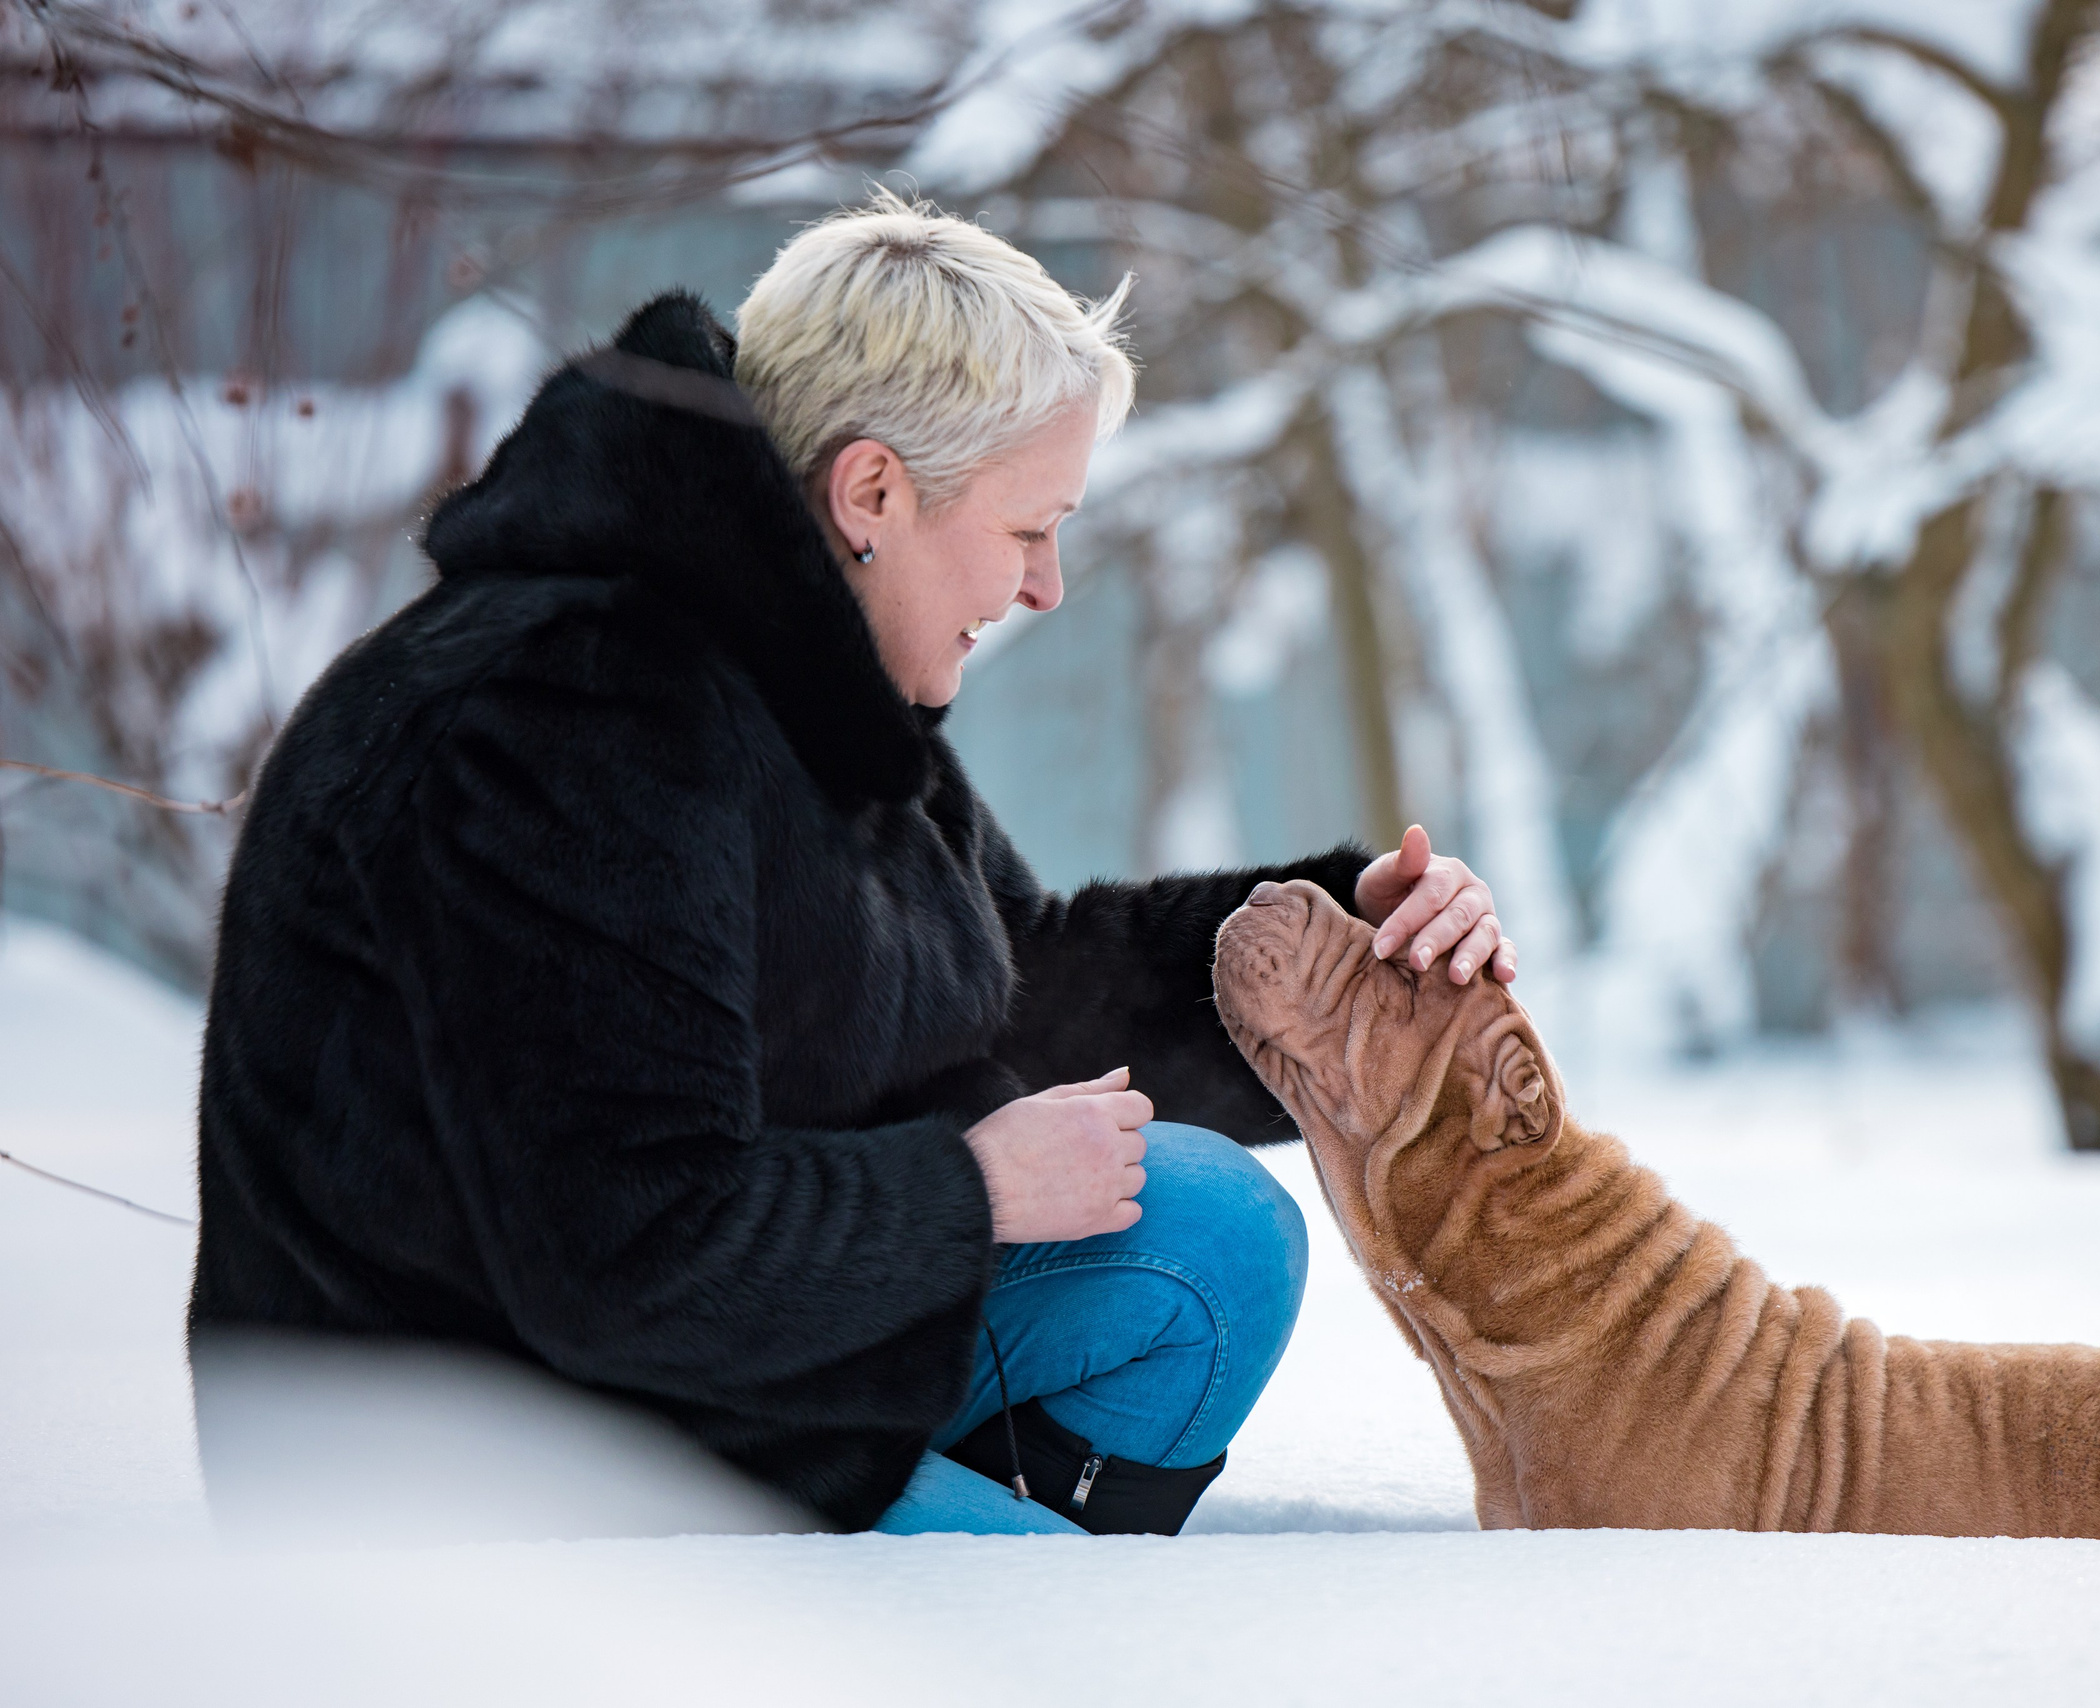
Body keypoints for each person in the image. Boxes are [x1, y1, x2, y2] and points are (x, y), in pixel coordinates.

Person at [188, 194, 1516, 1537]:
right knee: (1130, 1640)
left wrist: (1342, 959)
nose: (1048, 585)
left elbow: (1015, 986)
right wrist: (975, 1191)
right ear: (872, 491)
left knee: (1205, 1229)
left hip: (698, 1384)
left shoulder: (796, 675)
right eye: (1025, 529)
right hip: (491, 1486)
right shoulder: (571, 715)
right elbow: (621, 1248)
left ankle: (994, 1550)